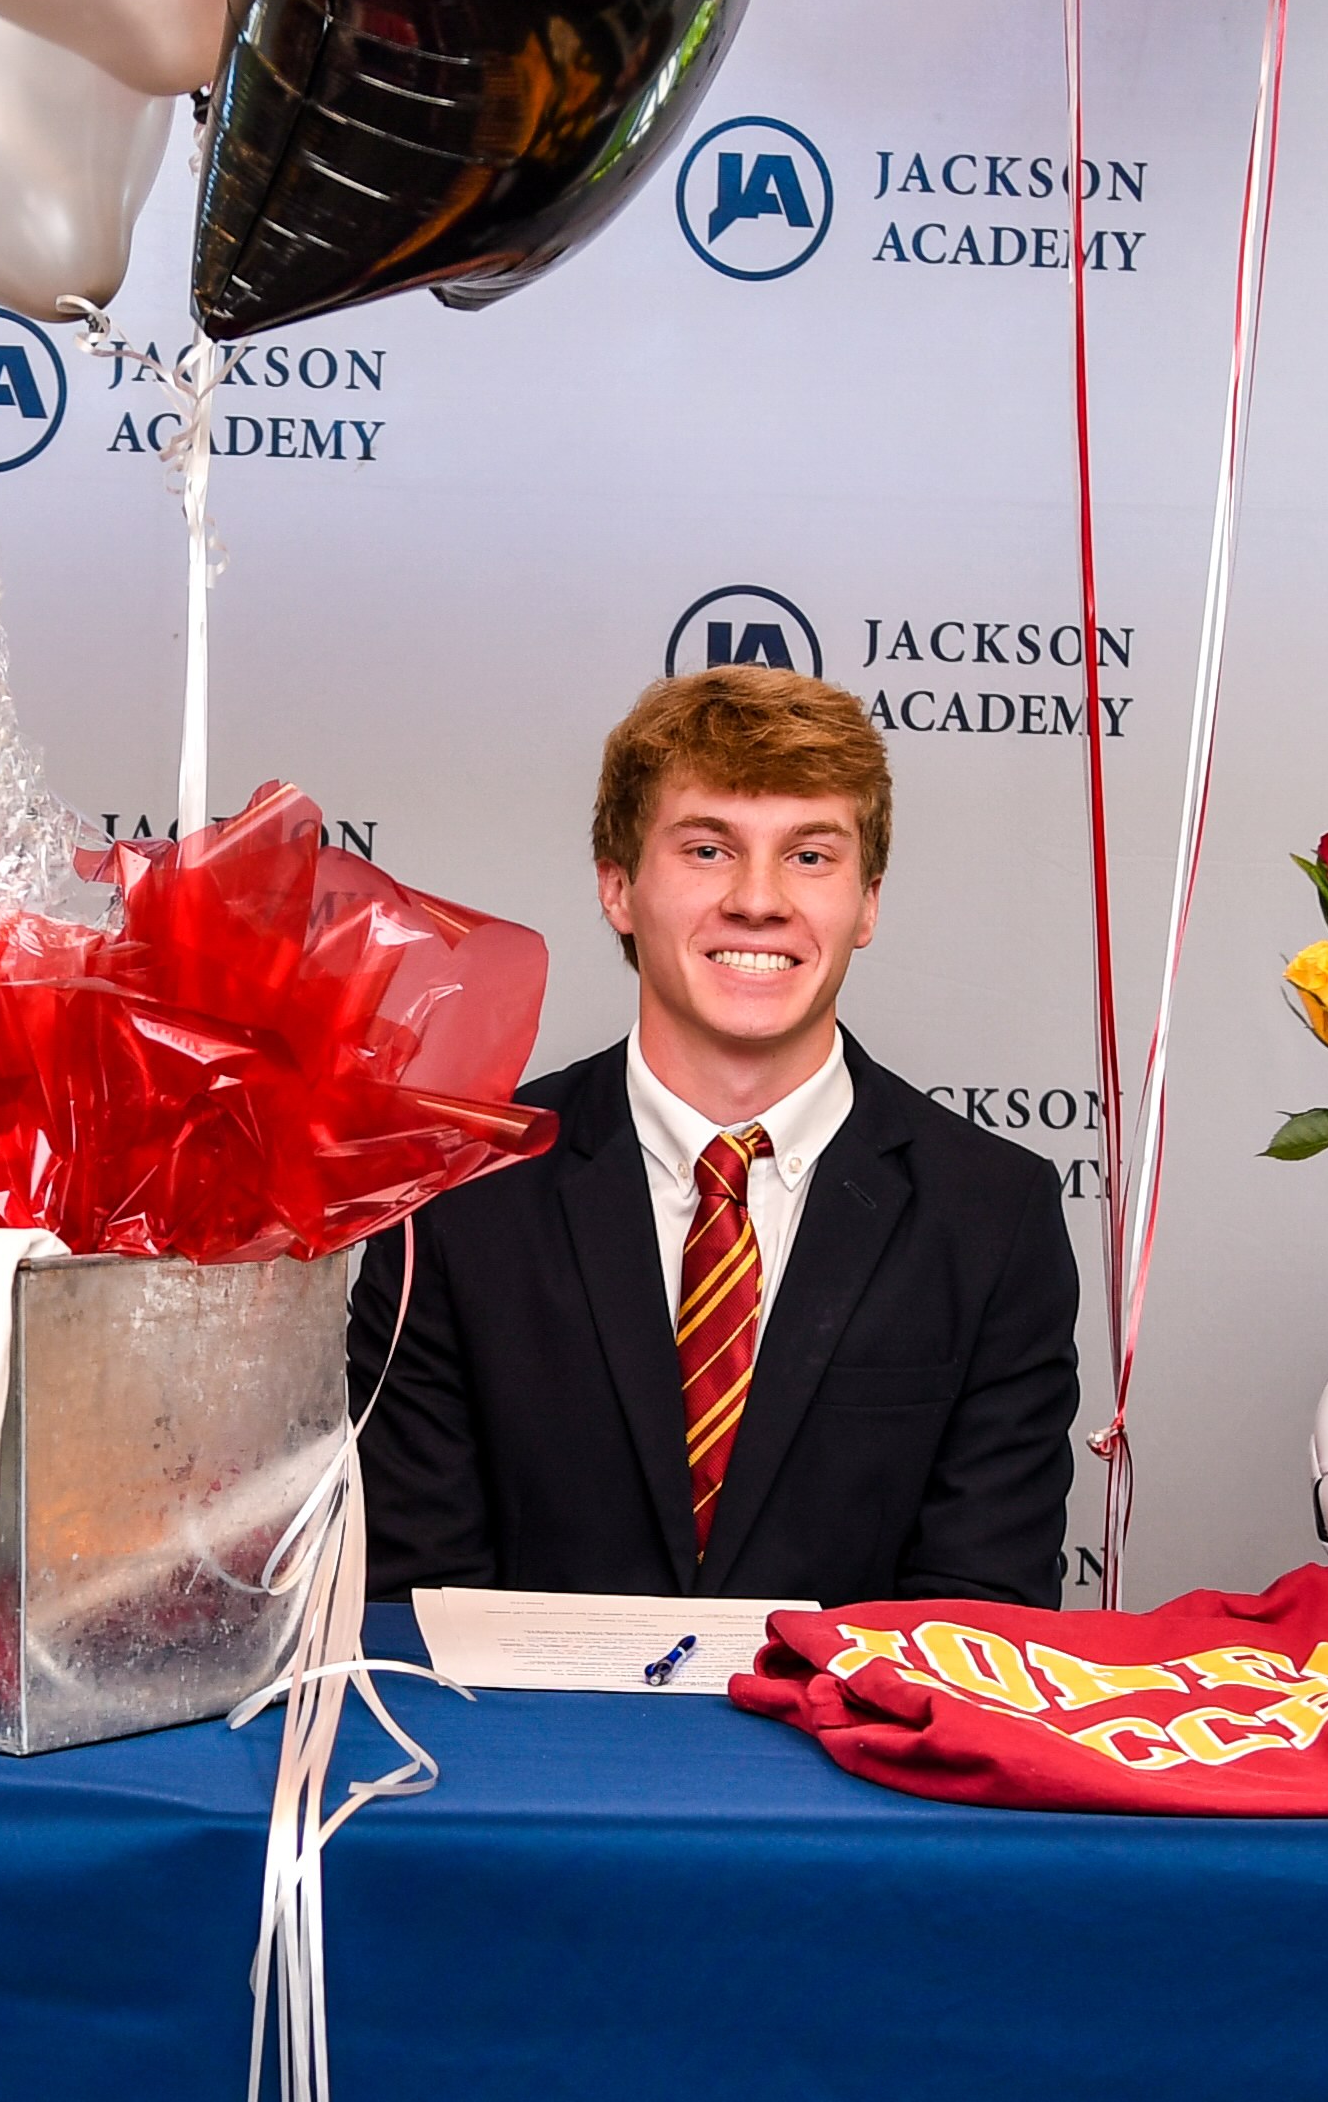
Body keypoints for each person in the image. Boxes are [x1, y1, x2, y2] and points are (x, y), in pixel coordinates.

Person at [356, 665, 1080, 1605]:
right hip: (515, 1711)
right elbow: (416, 1607)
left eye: (810, 856)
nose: (758, 900)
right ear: (618, 888)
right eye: (707, 850)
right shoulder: (458, 1194)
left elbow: (976, 1615)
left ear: (867, 902)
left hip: (850, 1713)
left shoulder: (993, 1216)